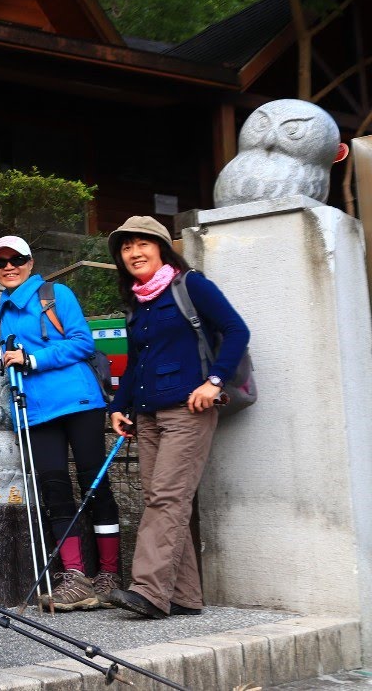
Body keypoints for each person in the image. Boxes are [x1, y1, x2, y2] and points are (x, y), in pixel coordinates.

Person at [0, 235, 121, 612]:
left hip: (79, 402)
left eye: (17, 259)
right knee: (55, 490)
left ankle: (109, 575)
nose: (9, 266)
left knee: (96, 484)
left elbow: (82, 342)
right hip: (36, 412)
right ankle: (76, 578)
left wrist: (31, 358)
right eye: (0, 262)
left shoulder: (55, 295)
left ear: (30, 262)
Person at [104, 216, 248, 619]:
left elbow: (236, 330)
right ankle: (184, 594)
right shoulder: (137, 301)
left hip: (189, 411)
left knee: (167, 496)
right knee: (161, 499)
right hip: (147, 415)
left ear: (162, 247)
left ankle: (149, 591)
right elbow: (136, 362)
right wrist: (119, 406)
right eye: (126, 247)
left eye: (142, 244)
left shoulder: (190, 285)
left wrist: (214, 381)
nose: (134, 253)